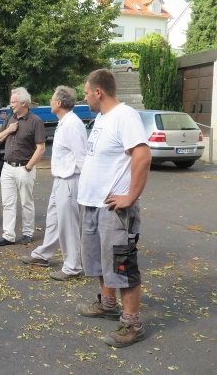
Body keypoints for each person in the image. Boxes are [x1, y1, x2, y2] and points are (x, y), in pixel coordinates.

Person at [76, 69, 151, 348]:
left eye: (86, 93)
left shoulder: (125, 116)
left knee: (122, 264)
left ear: (98, 92)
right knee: (97, 260)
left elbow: (142, 156)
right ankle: (108, 304)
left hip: (114, 210)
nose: (84, 98)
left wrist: (130, 197)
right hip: (93, 205)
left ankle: (132, 323)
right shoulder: (101, 118)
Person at [20, 86, 86, 280]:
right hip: (61, 180)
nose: (49, 102)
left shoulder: (72, 124)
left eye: (51, 99)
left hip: (70, 180)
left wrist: (86, 185)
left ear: (59, 103)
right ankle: (43, 255)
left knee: (68, 225)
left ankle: (73, 266)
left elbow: (82, 157)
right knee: (54, 221)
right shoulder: (65, 122)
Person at [0, 87, 46, 246]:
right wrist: (9, 130)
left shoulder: (35, 121)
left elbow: (41, 147)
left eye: (13, 102)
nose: (11, 105)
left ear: (24, 102)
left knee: (26, 202)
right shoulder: (10, 118)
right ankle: (8, 235)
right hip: (7, 167)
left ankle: (28, 232)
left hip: (24, 167)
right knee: (7, 203)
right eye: (11, 102)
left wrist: (28, 167)